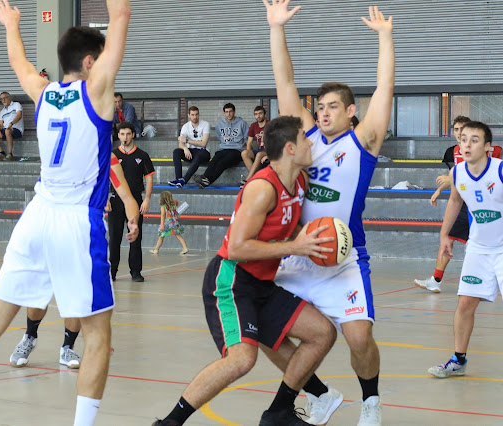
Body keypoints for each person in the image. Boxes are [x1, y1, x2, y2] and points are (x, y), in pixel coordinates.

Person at [0, 0, 131, 424]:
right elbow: (121, 18)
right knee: (98, 331)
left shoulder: (43, 93)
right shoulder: (96, 91)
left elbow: (18, 60)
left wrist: (12, 23)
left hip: (36, 215)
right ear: (91, 61)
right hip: (78, 220)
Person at [153, 116, 337, 426]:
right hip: (231, 280)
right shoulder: (263, 188)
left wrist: (321, 240)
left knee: (322, 333)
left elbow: (287, 228)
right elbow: (237, 248)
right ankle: (170, 422)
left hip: (262, 283)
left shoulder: (299, 181)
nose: (311, 144)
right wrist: (295, 247)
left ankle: (279, 412)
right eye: (306, 139)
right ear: (290, 149)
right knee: (242, 360)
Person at [265, 2, 394, 425]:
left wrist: (385, 38)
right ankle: (320, 394)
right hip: (298, 252)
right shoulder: (303, 138)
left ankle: (371, 401)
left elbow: (384, 88)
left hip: (342, 257)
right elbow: (285, 80)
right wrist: (276, 28)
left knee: (359, 336)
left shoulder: (363, 143)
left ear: (351, 111)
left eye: (333, 106)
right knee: (262, 326)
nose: (323, 111)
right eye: (319, 106)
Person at [8, 153, 140, 370]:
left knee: (76, 294)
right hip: (53, 227)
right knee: (41, 289)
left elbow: (127, 197)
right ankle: (29, 337)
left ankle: (67, 347)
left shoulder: (108, 158)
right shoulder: (63, 152)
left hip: (82, 233)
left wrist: (133, 220)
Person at [427, 121, 503, 378]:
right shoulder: (458, 172)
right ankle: (458, 360)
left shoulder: (500, 170)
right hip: (479, 248)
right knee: (465, 303)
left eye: (475, 140)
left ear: (488, 147)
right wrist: (444, 234)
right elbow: (456, 200)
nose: (467, 144)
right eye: (464, 139)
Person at [415, 115, 502, 292]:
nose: (462, 136)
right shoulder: (453, 155)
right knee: (451, 239)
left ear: (485, 145)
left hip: (488, 206)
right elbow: (456, 186)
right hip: (467, 204)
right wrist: (439, 190)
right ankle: (437, 279)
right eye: (458, 132)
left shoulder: (495, 164)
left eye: (466, 134)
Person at [108, 121, 154, 282]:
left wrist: (147, 199)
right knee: (114, 237)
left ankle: (136, 271)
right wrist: (106, 198)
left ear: (133, 134)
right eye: (122, 134)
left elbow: (149, 179)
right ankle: (111, 271)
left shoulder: (142, 156)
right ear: (118, 136)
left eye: (128, 134)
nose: (125, 137)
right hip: (115, 200)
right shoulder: (113, 155)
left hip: (135, 199)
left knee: (135, 236)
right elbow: (105, 178)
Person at [193, 103, 248, 189]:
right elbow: (220, 136)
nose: (228, 114)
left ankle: (208, 181)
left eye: (230, 111)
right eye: (226, 112)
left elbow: (246, 139)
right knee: (214, 160)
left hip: (236, 150)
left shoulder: (242, 123)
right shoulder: (220, 124)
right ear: (224, 113)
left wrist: (247, 152)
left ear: (234, 112)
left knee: (222, 163)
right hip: (223, 149)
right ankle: (205, 178)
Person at [168, 106, 211, 188]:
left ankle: (184, 180)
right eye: (193, 115)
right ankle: (179, 179)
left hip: (204, 152)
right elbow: (181, 143)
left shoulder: (205, 124)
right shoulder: (185, 126)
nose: (195, 117)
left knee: (200, 154)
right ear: (189, 115)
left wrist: (187, 140)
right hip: (191, 152)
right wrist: (185, 148)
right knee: (176, 152)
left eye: (196, 114)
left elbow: (203, 144)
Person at [149, 190, 188, 255]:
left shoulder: (163, 206)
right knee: (178, 235)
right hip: (174, 223)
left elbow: (163, 215)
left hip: (167, 224)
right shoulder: (174, 204)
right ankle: (185, 248)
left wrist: (161, 224)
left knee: (161, 236)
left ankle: (156, 250)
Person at [0, 91, 24, 160]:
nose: (3, 100)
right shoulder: (2, 111)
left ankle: (10, 154)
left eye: (5, 98)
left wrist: (11, 124)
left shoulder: (16, 104)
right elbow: (0, 124)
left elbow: (19, 115)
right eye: (1, 99)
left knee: (7, 131)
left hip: (16, 129)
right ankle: (2, 152)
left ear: (9, 98)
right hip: (5, 129)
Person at [241, 106, 270, 185]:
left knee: (259, 154)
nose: (258, 116)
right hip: (259, 150)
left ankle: (248, 180)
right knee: (244, 153)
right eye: (256, 114)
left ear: (265, 115)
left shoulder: (270, 124)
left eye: (260, 113)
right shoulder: (253, 125)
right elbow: (249, 142)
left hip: (268, 151)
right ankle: (256, 177)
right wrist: (248, 151)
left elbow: (276, 142)